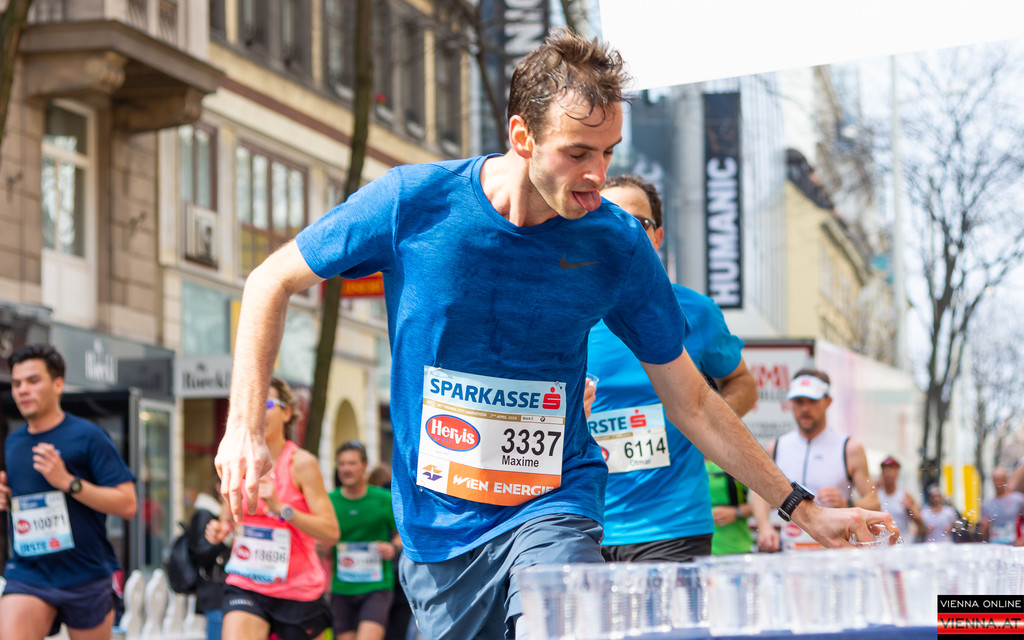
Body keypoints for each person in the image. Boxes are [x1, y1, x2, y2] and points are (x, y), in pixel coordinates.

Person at [214, 29, 896, 640]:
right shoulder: (411, 205)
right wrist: (244, 427)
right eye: (577, 153)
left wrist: (802, 509)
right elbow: (270, 280)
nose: (597, 175)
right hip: (438, 531)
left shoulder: (616, 245)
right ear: (522, 136)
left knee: (557, 621)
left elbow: (693, 400)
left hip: (554, 503)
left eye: (609, 152)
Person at [585, 174, 768, 561]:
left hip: (674, 526)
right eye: (610, 219)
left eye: (639, 222)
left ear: (658, 236)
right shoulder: (565, 313)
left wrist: (702, 425)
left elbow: (743, 383)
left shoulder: (695, 311)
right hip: (580, 522)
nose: (625, 231)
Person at [0, 343, 138, 640]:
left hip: (85, 573)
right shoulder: (13, 442)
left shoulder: (89, 436)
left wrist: (68, 482)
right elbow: (23, 498)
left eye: (33, 381)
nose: (23, 390)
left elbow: (127, 504)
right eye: (17, 383)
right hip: (29, 572)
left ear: (58, 384)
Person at [205, 377, 339, 640]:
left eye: (266, 404)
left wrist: (281, 508)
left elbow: (331, 532)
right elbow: (228, 516)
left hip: (297, 591)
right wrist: (220, 528)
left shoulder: (301, 464)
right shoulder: (238, 461)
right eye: (251, 405)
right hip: (246, 582)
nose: (257, 412)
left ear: (286, 413)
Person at [754, 368, 880, 551]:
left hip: (833, 554)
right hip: (788, 554)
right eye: (798, 401)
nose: (805, 409)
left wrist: (847, 504)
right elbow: (759, 494)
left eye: (812, 401)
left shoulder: (849, 448)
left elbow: (874, 503)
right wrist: (764, 526)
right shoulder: (776, 447)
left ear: (828, 402)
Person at [328, 442, 403, 640]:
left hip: (376, 586)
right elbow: (320, 541)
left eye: (352, 463)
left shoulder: (383, 498)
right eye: (342, 464)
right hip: (342, 587)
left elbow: (403, 532)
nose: (346, 469)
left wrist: (393, 547)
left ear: (364, 466)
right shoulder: (329, 501)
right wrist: (322, 545)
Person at [189, 480, 231, 640]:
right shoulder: (206, 513)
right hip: (215, 591)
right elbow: (201, 553)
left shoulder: (230, 514)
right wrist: (223, 540)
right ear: (219, 487)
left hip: (227, 591)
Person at [876, 456, 923, 544]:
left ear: (897, 473)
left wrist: (910, 509)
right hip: (883, 545)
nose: (887, 473)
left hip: (903, 544)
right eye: (885, 470)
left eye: (890, 470)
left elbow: (920, 522)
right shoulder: (876, 495)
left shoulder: (905, 495)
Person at [978, 467, 1024, 545]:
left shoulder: (1018, 499)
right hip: (996, 545)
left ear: (1006, 480)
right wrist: (984, 528)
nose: (998, 483)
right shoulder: (987, 504)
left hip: (1014, 545)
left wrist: (1022, 539)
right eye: (995, 479)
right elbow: (983, 535)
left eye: (1001, 479)